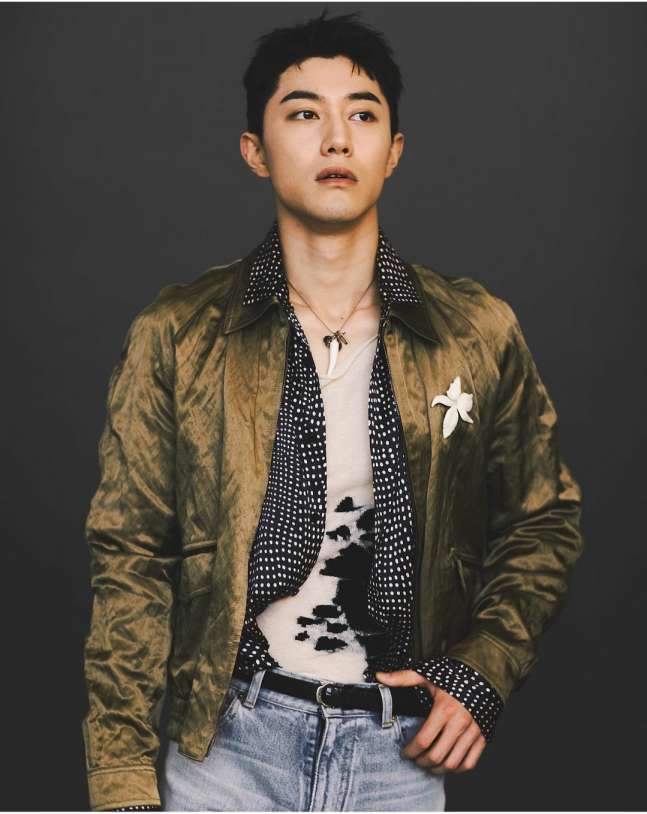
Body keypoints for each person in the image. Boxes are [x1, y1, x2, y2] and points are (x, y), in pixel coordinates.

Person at [80, 9, 585, 812]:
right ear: (255, 150)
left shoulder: (474, 331)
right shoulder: (177, 333)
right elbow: (132, 559)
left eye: (362, 115)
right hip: (226, 749)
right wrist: (120, 781)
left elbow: (543, 520)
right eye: (303, 114)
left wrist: (481, 672)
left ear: (394, 150)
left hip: (397, 757)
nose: (337, 139)